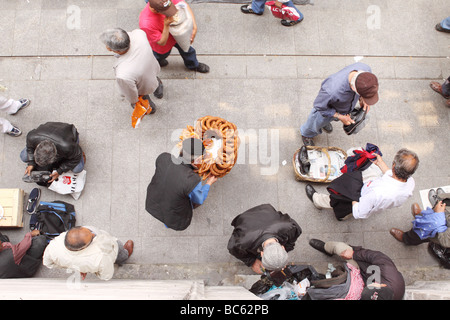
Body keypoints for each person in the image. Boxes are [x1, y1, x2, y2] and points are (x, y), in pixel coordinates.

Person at [305, 148, 419, 221]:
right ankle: (343, 214)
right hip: (374, 197)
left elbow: (359, 212)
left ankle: (318, 201)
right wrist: (381, 164)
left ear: (394, 166)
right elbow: (392, 175)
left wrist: (351, 195)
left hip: (362, 197)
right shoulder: (410, 182)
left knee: (338, 197)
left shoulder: (376, 193)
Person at [145, 137, 218, 231]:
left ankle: (165, 222)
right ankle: (167, 223)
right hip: (173, 216)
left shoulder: (163, 157)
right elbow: (199, 199)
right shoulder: (192, 180)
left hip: (152, 203)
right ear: (197, 159)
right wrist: (209, 183)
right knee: (175, 209)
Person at [300, 62, 379, 146]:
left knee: (327, 120)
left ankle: (325, 123)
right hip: (326, 109)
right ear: (353, 88)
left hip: (342, 107)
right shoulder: (331, 91)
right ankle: (306, 134)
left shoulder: (366, 69)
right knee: (315, 123)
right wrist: (340, 117)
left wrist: (362, 99)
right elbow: (319, 106)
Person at [309, 239, 405, 300]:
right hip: (361, 268)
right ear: (382, 284)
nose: (371, 284)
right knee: (340, 248)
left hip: (357, 289)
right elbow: (374, 256)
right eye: (372, 285)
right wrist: (353, 254)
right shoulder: (388, 272)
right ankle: (327, 248)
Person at [100, 28, 163, 114]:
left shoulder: (123, 74)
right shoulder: (139, 34)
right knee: (155, 80)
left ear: (112, 49)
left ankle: (150, 109)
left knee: (144, 98)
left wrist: (134, 101)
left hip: (142, 85)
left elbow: (131, 93)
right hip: (152, 69)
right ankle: (159, 91)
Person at [227, 203, 302, 274]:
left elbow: (292, 239)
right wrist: (252, 261)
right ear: (262, 254)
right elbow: (231, 247)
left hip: (266, 210)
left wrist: (279, 259)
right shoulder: (243, 241)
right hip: (245, 219)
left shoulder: (290, 227)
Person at [139, 0, 210, 73]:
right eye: (166, 11)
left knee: (188, 50)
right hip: (163, 45)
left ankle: (193, 65)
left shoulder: (164, 1)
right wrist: (166, 25)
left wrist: (194, 26)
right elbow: (161, 42)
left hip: (178, 36)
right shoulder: (146, 23)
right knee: (160, 56)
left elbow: (184, 4)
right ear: (154, 9)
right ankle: (158, 62)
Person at [43, 226, 133, 281]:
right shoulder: (100, 255)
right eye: (92, 237)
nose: (93, 234)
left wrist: (78, 266)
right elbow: (106, 276)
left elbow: (47, 263)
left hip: (82, 263)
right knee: (119, 251)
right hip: (111, 250)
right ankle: (125, 255)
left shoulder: (53, 246)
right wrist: (88, 268)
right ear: (82, 248)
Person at [20, 122, 85, 184]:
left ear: (56, 155)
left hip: (69, 132)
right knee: (23, 156)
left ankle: (75, 149)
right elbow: (29, 147)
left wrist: (60, 171)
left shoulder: (67, 147)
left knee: (78, 168)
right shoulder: (31, 137)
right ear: (37, 147)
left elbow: (77, 156)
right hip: (49, 129)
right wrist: (31, 163)